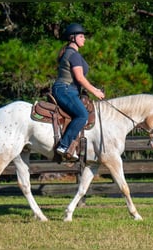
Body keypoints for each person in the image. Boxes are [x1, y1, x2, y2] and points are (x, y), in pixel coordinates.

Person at [52, 23, 105, 160]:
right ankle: (64, 145)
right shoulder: (73, 55)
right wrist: (95, 91)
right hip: (65, 90)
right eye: (81, 36)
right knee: (82, 115)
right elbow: (80, 78)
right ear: (73, 38)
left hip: (69, 90)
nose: (84, 39)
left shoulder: (71, 53)